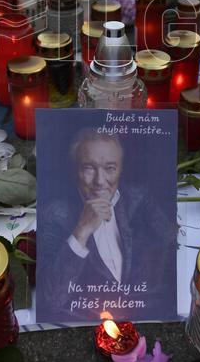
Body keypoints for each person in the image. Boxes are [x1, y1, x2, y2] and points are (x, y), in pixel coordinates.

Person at [38, 129, 176, 319]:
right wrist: (82, 230)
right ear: (75, 170)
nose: (99, 181)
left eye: (110, 168)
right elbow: (51, 300)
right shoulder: (55, 215)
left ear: (120, 169)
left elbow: (172, 248)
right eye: (88, 168)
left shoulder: (139, 199)